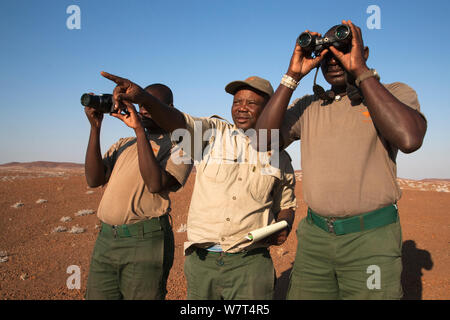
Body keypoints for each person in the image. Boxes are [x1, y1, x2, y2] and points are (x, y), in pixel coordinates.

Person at [255, 20, 427, 300]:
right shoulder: (309, 106)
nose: (333, 60)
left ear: (364, 52)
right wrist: (292, 76)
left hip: (371, 238)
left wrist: (361, 72)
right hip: (315, 238)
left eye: (343, 50)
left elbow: (410, 139)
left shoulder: (393, 93)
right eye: (326, 54)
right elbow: (261, 141)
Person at [100, 72, 297, 300]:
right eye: (237, 102)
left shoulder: (279, 157)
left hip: (250, 263)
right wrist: (143, 98)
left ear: (270, 108)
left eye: (251, 103)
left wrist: (285, 224)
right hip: (203, 262)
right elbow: (178, 122)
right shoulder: (212, 134)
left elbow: (287, 204)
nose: (241, 108)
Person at [84, 84, 193, 300]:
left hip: (145, 241)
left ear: (168, 108)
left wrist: (139, 131)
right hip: (107, 239)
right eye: (141, 105)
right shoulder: (124, 144)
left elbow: (155, 183)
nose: (143, 111)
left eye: (150, 105)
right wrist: (95, 128)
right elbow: (94, 179)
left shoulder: (181, 147)